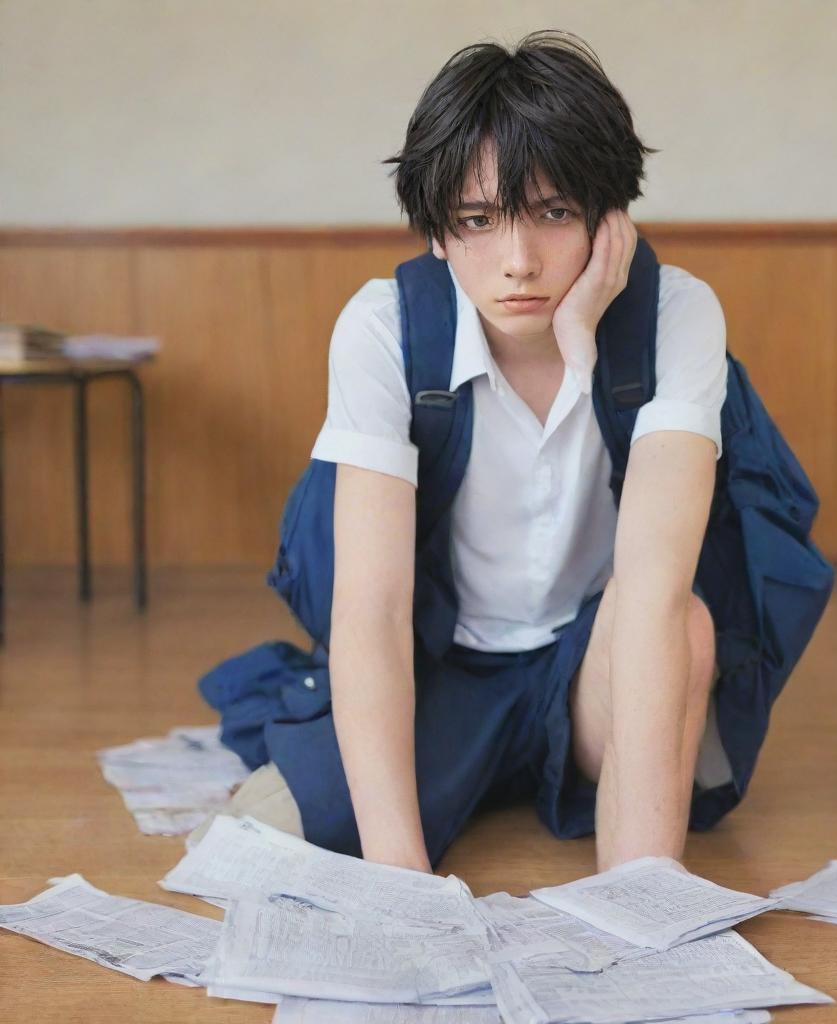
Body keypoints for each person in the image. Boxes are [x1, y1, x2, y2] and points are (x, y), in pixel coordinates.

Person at [199, 30, 729, 875]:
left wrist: (583, 347)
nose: (518, 262)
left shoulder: (677, 313)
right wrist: (401, 884)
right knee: (299, 834)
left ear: (609, 212)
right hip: (442, 665)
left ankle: (638, 886)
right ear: (438, 233)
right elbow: (369, 614)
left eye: (555, 212)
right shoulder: (384, 325)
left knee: (687, 624)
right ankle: (487, 773)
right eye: (479, 221)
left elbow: (656, 592)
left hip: (588, 663)